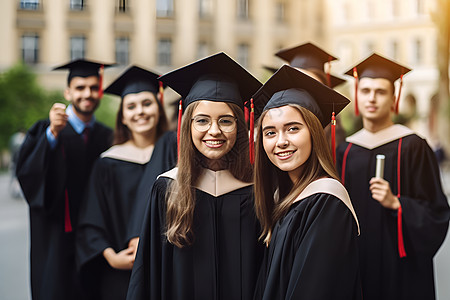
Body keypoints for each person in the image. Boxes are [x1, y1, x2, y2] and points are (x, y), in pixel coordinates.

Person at [126, 52, 264, 300]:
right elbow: (148, 274)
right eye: (202, 121)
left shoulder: (257, 190)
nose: (214, 131)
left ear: (240, 126)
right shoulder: (167, 188)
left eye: (226, 121)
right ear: (187, 126)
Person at [336, 53, 450, 300]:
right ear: (357, 95)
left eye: (380, 91)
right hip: (357, 265)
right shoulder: (344, 151)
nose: (372, 98)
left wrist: (397, 204)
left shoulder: (413, 147)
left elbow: (437, 212)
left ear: (393, 97)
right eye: (365, 91)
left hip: (401, 272)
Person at [251, 65, 361, 300]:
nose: (281, 141)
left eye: (293, 129)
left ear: (314, 133)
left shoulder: (326, 203)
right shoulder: (282, 197)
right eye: (270, 132)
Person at [76, 66, 177, 300]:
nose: (140, 112)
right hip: (120, 272)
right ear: (122, 116)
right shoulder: (108, 162)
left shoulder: (176, 154)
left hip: (168, 267)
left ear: (158, 106)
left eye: (146, 103)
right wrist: (111, 256)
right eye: (131, 106)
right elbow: (91, 219)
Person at [15, 59, 114, 300]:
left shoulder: (107, 136)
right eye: (80, 88)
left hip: (96, 240)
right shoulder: (45, 131)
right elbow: (28, 176)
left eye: (93, 87)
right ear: (67, 92)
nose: (87, 94)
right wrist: (53, 134)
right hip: (56, 239)